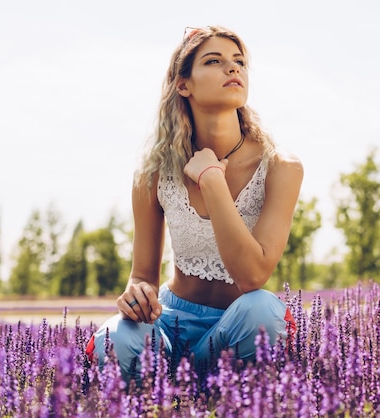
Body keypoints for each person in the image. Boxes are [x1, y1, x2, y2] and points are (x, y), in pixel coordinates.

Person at [86, 25, 303, 382]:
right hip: (167, 327)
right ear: (183, 84)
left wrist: (212, 180)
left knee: (263, 310)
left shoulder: (281, 166)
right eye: (214, 61)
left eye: (239, 62)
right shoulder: (153, 174)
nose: (233, 69)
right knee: (117, 339)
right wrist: (136, 294)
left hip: (237, 330)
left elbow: (252, 276)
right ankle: (164, 390)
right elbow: (142, 275)